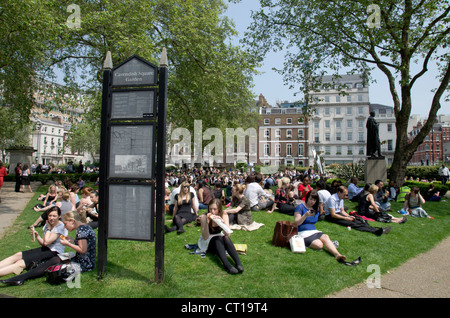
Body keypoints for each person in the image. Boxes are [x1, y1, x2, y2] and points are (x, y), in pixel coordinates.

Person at [1, 211, 96, 286]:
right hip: (86, 261)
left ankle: (22, 277)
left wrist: (68, 244)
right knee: (54, 260)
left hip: (85, 263)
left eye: (66, 224)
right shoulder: (84, 227)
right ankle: (22, 277)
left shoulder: (81, 230)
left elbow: (83, 250)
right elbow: (84, 246)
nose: (65, 227)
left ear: (72, 221)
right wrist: (72, 240)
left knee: (53, 262)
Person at [0, 206, 67, 278]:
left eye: (54, 216)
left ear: (59, 216)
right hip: (46, 249)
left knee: (21, 263)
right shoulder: (47, 224)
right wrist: (37, 236)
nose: (51, 218)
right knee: (18, 255)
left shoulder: (60, 227)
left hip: (54, 252)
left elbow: (47, 242)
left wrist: (48, 229)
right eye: (50, 215)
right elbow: (44, 244)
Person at [294, 190, 348, 264]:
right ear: (307, 198)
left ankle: (337, 255)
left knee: (325, 236)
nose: (312, 201)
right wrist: (305, 215)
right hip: (302, 232)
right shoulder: (300, 207)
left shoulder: (315, 209)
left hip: (313, 231)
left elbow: (313, 221)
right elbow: (296, 223)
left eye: (314, 200)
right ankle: (329, 244)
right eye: (310, 199)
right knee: (319, 245)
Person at [198, 198, 244, 274]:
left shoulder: (224, 214)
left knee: (226, 238)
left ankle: (238, 263)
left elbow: (227, 234)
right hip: (207, 241)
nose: (212, 211)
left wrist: (222, 223)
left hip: (220, 238)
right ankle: (227, 265)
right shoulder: (204, 217)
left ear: (219, 209)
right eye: (210, 209)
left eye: (214, 209)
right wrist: (207, 221)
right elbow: (205, 236)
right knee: (218, 238)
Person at [323, 186, 391, 236]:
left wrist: (349, 216)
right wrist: (346, 218)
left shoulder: (341, 199)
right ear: (339, 193)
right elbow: (333, 214)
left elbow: (342, 211)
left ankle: (376, 229)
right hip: (331, 216)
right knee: (353, 223)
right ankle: (375, 231)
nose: (345, 196)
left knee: (358, 219)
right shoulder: (332, 199)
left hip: (339, 214)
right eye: (344, 194)